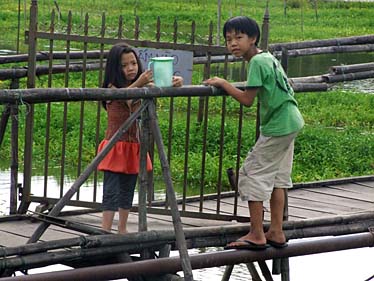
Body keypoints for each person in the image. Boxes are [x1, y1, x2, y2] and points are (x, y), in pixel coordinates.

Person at [204, 16, 304, 250]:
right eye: (229, 40)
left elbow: (247, 100)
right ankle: (276, 231)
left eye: (239, 38)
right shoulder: (267, 57)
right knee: (278, 178)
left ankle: (257, 233)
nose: (233, 44)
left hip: (278, 125)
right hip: (291, 120)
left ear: (253, 38)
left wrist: (223, 83)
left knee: (251, 175)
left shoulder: (257, 63)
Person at [97, 43, 183, 234]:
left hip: (133, 145)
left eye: (133, 63)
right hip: (115, 144)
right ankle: (105, 229)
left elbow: (161, 88)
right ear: (115, 68)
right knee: (111, 190)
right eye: (124, 65)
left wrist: (176, 82)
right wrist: (141, 83)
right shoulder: (111, 88)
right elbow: (126, 98)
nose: (131, 68)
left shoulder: (142, 86)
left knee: (128, 189)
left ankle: (122, 229)